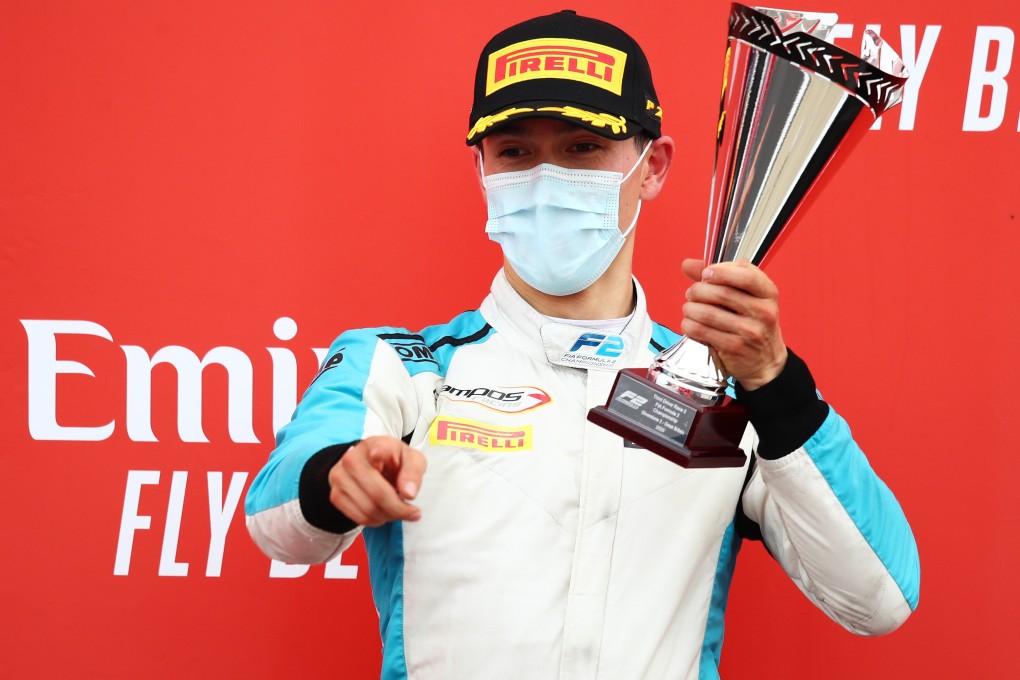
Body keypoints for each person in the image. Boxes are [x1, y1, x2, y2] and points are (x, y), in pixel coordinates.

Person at [245, 10, 919, 679]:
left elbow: (878, 599)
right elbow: (275, 522)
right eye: (514, 151)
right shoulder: (401, 366)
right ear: (482, 169)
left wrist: (776, 384)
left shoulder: (729, 397)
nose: (545, 177)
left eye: (581, 148)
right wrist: (337, 479)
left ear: (652, 168)